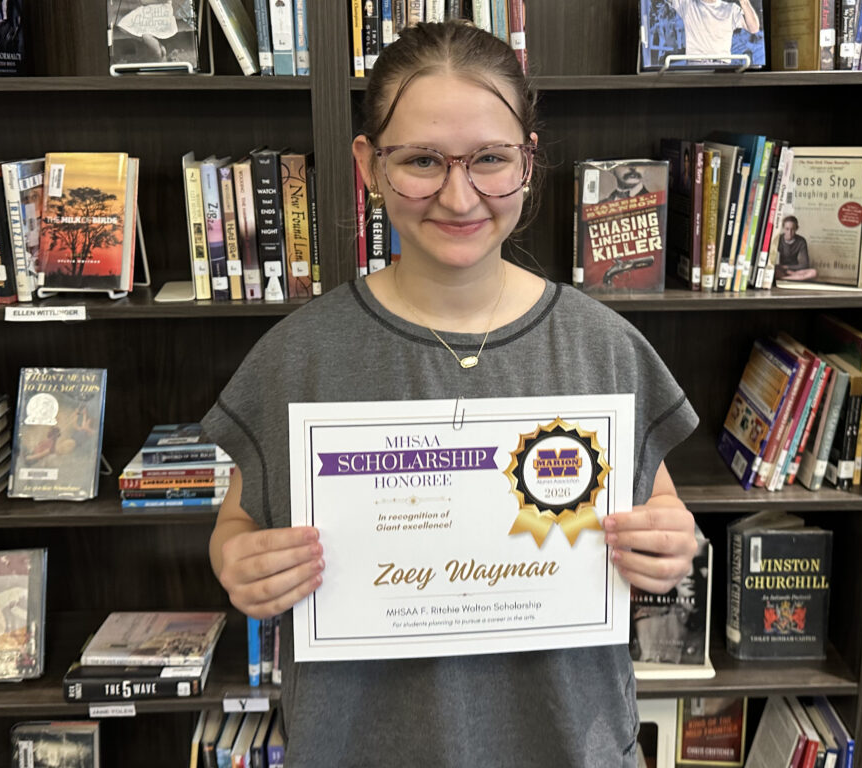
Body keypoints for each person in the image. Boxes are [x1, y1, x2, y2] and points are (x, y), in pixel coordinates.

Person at [204, 20, 698, 767]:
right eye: (422, 161)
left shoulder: (603, 348)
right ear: (369, 166)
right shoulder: (298, 358)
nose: (459, 197)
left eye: (490, 158)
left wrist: (668, 541)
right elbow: (237, 524)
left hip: (567, 746)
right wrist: (238, 561)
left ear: (528, 160)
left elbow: (660, 508)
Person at [664, 0, 760, 60]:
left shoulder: (731, 9)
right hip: (696, 66)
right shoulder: (686, 4)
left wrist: (744, 2)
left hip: (722, 67)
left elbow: (754, 28)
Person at [774, 215, 817, 281]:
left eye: (793, 229)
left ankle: (785, 278)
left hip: (795, 269)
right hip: (781, 269)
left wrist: (787, 268)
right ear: (783, 228)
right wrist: (781, 268)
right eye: (787, 229)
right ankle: (794, 278)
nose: (789, 232)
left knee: (814, 272)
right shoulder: (778, 239)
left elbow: (805, 264)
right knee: (774, 271)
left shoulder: (801, 241)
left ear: (797, 228)